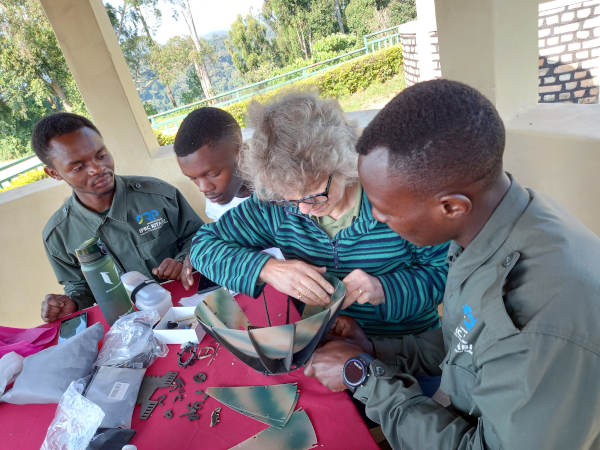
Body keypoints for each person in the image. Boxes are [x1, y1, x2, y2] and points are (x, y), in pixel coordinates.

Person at [304, 79, 600, 449]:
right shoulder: (496, 226)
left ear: (452, 207)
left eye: (385, 208)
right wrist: (375, 351)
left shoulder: (539, 324)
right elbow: (467, 345)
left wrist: (363, 376)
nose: (376, 218)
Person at [189, 91, 449, 337]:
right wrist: (268, 269)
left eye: (314, 196)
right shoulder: (274, 203)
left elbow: (445, 272)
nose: (303, 209)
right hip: (323, 342)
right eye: (292, 199)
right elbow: (203, 246)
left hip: (405, 346)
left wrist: (385, 289)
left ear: (343, 164)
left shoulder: (399, 194)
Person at [36, 113, 204, 323]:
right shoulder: (58, 235)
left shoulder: (158, 196)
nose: (98, 168)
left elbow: (199, 236)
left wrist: (183, 261)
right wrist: (72, 303)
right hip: (128, 329)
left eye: (101, 155)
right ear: (54, 173)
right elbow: (79, 286)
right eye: (79, 167)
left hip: (188, 309)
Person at [173, 107, 283, 290]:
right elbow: (228, 241)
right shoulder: (215, 199)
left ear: (242, 153)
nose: (203, 188)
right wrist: (207, 253)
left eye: (213, 174)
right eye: (193, 178)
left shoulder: (280, 190)